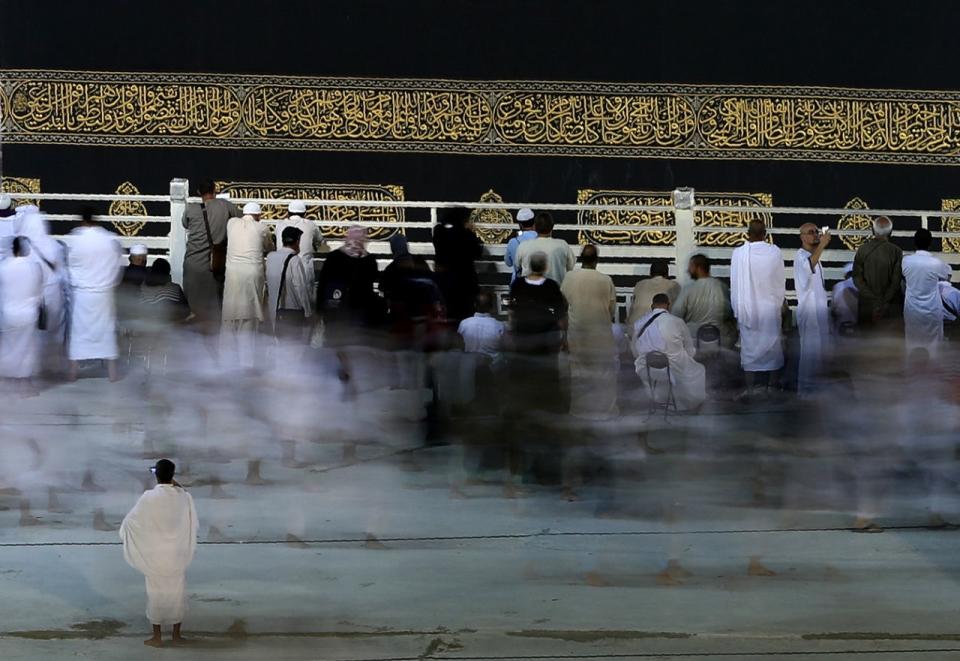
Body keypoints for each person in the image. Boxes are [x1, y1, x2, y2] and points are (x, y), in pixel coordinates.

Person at [119, 459, 198, 648]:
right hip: (176, 556)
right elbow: (191, 516)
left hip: (156, 556)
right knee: (176, 595)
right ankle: (177, 635)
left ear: (156, 475)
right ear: (173, 475)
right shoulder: (184, 497)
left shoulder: (148, 497)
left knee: (155, 595)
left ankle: (157, 637)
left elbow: (129, 523)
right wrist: (176, 484)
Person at [560, 245, 618, 419]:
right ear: (596, 260)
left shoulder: (569, 278)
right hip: (601, 334)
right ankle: (604, 411)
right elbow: (611, 309)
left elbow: (564, 304)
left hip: (577, 333)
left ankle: (580, 411)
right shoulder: (605, 280)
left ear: (580, 258)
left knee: (579, 372)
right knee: (603, 373)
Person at [67, 208, 125, 381]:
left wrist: (78, 282)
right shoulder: (109, 239)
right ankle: (112, 374)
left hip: (83, 294)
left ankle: (72, 373)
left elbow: (70, 266)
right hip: (103, 294)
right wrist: (109, 282)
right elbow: (117, 264)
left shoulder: (76, 240)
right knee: (106, 332)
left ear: (82, 221)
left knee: (78, 334)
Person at [730, 220, 785, 396]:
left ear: (747, 233)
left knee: (749, 349)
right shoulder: (774, 253)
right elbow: (779, 281)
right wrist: (778, 302)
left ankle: (750, 389)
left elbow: (735, 284)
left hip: (748, 310)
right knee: (773, 347)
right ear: (765, 233)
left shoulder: (738, 254)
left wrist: (738, 309)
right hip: (769, 309)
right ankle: (771, 387)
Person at [181, 179, 240, 331]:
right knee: (214, 312)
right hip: (215, 265)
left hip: (193, 265)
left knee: (193, 311)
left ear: (199, 193)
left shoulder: (191, 209)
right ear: (215, 190)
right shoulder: (225, 206)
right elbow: (240, 218)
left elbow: (185, 224)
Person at [632, 293, 706, 411]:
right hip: (673, 367)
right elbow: (690, 349)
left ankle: (658, 400)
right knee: (699, 369)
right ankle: (686, 404)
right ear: (668, 305)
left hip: (647, 368)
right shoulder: (677, 321)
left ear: (652, 306)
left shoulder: (639, 323)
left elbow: (635, 349)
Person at [221, 202, 271, 369]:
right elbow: (269, 247)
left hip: (233, 277)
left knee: (230, 316)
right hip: (251, 277)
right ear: (258, 216)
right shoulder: (262, 228)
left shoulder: (231, 223)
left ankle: (226, 365)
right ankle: (246, 367)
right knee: (248, 320)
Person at [18, 206, 68, 364]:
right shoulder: (54, 246)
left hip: (30, 296)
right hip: (53, 295)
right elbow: (63, 274)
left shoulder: (22, 249)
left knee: (32, 335)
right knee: (53, 332)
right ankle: (52, 366)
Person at [0, 236, 43, 392]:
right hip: (28, 314)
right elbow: (38, 291)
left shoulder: (4, 266)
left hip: (8, 313)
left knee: (8, 346)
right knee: (27, 349)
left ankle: (6, 382)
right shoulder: (34, 267)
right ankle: (24, 385)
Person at [794, 224, 832, 394]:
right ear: (802, 237)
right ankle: (806, 394)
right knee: (810, 356)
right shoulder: (801, 256)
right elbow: (808, 267)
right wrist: (823, 244)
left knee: (819, 356)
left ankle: (817, 393)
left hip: (819, 314)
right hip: (810, 316)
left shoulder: (814, 256)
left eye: (817, 232)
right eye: (811, 232)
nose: (816, 235)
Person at [902, 228, 952, 356]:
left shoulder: (906, 261)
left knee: (912, 346)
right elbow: (947, 275)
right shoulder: (936, 263)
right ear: (930, 244)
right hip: (932, 311)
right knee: (933, 349)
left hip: (911, 311)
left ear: (914, 243)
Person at [670, 254, 735, 347]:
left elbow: (676, 315)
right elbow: (731, 313)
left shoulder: (688, 289)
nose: (688, 271)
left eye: (691, 267)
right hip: (720, 341)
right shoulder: (722, 287)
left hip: (693, 341)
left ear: (699, 268)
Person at [432, 207, 483, 321]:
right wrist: (471, 232)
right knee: (465, 315)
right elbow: (477, 253)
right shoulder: (465, 235)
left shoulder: (440, 232)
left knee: (448, 315)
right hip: (464, 282)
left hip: (445, 282)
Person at [853, 216, 902, 328]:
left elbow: (857, 279)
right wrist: (883, 302)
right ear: (891, 232)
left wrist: (873, 300)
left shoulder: (862, 250)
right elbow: (896, 282)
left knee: (865, 342)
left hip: (867, 307)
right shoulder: (896, 251)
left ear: (873, 230)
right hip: (889, 307)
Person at [266, 226, 313, 341]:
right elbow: (301, 287)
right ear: (297, 242)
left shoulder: (270, 257)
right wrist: (308, 313)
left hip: (273, 312)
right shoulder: (294, 259)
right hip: (292, 313)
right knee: (292, 349)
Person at [274, 200, 327, 296]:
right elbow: (321, 242)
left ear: (288, 213)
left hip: (282, 269)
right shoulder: (311, 224)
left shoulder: (279, 224)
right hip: (304, 269)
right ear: (305, 214)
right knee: (305, 303)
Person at [515, 212, 575, 285]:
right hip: (556, 293)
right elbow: (570, 267)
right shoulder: (563, 245)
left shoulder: (523, 246)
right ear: (552, 226)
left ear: (535, 227)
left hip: (530, 293)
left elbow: (517, 266)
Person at [627, 259, 680, 332]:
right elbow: (679, 311)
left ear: (650, 274)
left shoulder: (639, 284)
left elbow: (632, 310)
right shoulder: (674, 286)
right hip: (661, 332)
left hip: (635, 332)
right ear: (667, 274)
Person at [457, 290, 505, 361]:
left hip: (470, 367)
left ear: (475, 305)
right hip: (494, 369)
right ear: (491, 306)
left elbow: (458, 347)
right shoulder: (499, 326)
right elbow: (507, 348)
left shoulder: (464, 324)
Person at [139, 259, 190, 324]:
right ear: (168, 273)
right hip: (171, 326)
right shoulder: (175, 288)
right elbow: (186, 311)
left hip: (147, 325)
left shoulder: (142, 288)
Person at [504, 208, 536, 282]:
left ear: (520, 225)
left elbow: (508, 263)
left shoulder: (513, 242)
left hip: (517, 285)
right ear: (534, 223)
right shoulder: (540, 239)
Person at [831, 262, 858, 335]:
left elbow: (833, 309)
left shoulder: (838, 286)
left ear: (845, 275)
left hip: (841, 325)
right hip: (858, 326)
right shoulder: (863, 286)